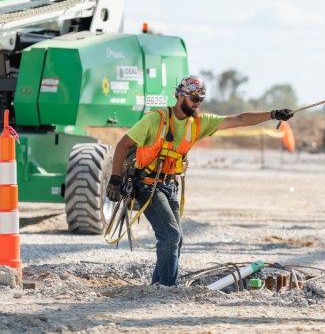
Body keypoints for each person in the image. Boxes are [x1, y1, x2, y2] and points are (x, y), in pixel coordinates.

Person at [105, 74, 294, 287]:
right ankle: (167, 289)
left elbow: (239, 119)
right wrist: (114, 180)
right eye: (194, 98)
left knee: (176, 240)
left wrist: (272, 114)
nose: (197, 103)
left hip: (169, 185)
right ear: (180, 96)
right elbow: (122, 144)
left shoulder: (199, 123)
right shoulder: (156, 120)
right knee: (170, 236)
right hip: (147, 184)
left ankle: (158, 285)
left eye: (201, 99)